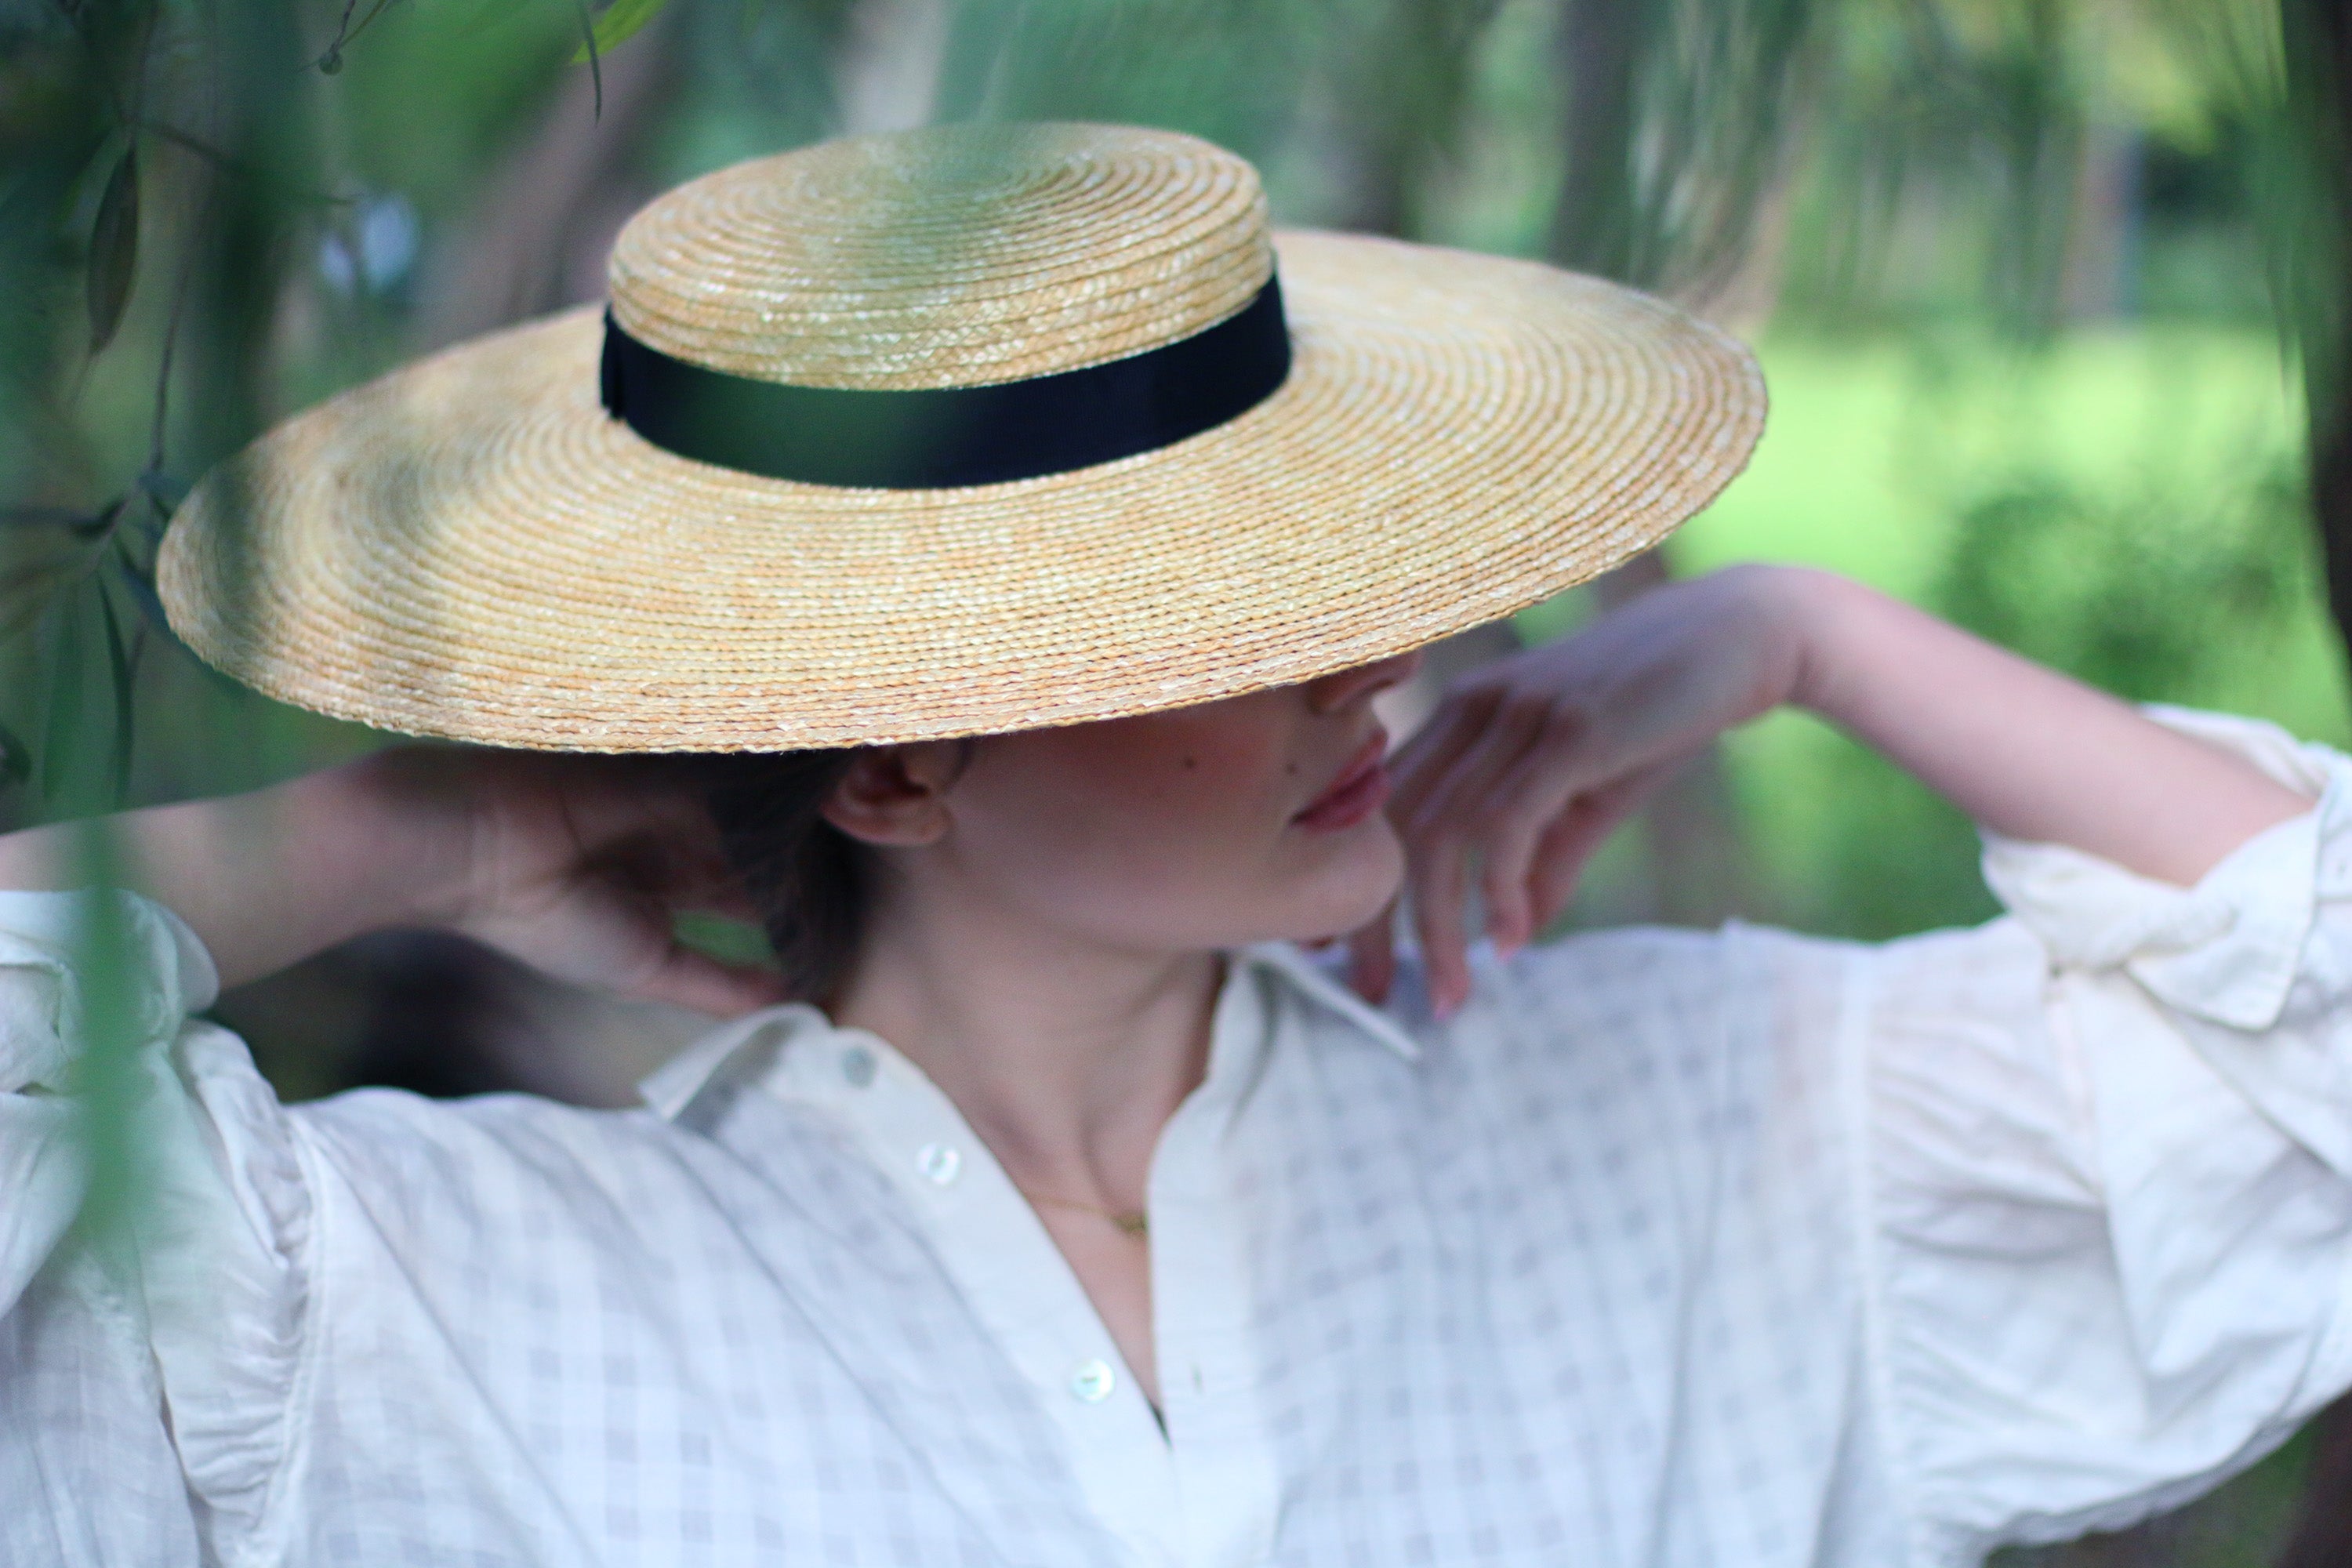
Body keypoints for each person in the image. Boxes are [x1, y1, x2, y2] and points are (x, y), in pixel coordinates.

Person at [3, 122, 2347, 1568]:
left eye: (1332, 584)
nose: (1375, 668)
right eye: (1228, 622)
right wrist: (404, 824)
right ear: (885, 765)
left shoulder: (1706, 1130)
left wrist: (1801, 633)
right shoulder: (434, 1305)